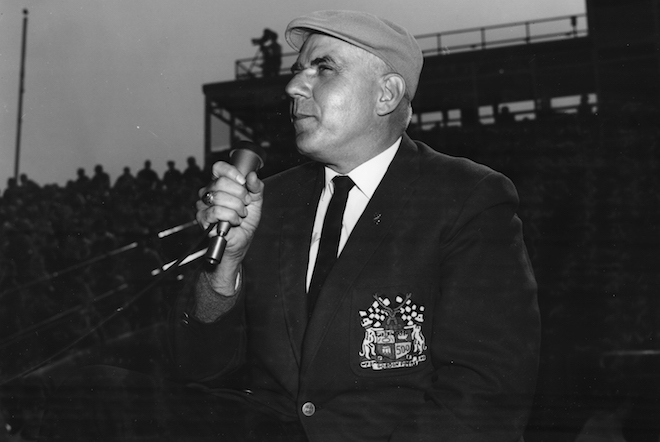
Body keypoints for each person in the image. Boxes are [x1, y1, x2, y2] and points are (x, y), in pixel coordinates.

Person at [39, 10, 540, 442]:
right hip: (261, 426)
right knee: (85, 388)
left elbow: (485, 396)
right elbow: (197, 367)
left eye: (323, 68)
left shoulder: (466, 197)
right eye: (299, 70)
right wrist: (224, 268)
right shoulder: (270, 199)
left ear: (386, 94)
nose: (294, 86)